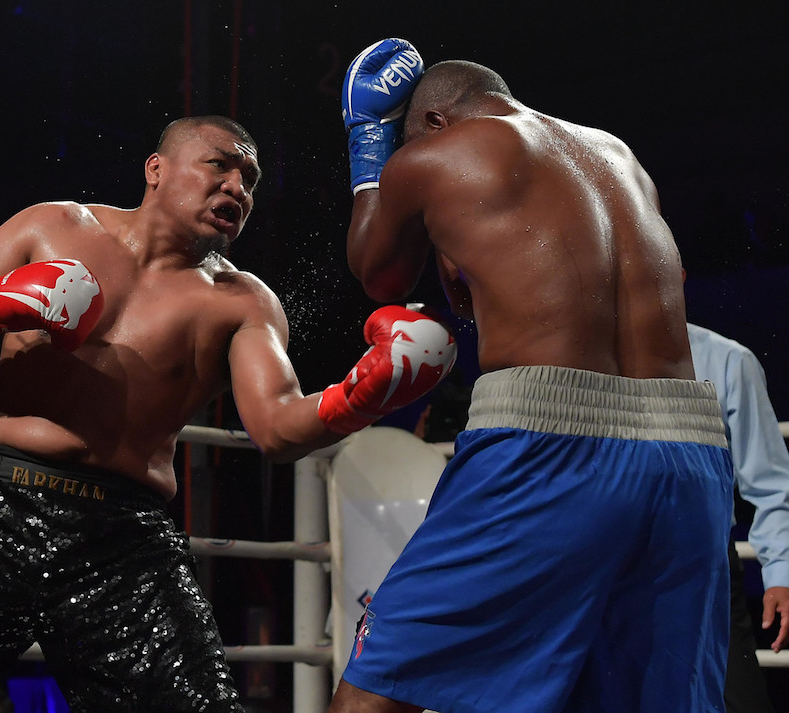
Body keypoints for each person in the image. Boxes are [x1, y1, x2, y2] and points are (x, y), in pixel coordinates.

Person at [0, 115, 458, 713]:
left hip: (118, 539)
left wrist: (365, 392)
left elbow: (278, 425)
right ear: (156, 169)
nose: (238, 187)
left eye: (251, 180)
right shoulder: (54, 225)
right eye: (221, 165)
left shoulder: (241, 301)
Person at [329, 39, 734, 713]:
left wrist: (370, 145)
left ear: (432, 122)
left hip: (549, 443)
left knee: (375, 693)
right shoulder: (616, 155)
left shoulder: (433, 154)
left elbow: (379, 270)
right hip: (687, 452)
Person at [687, 321, 789, 712]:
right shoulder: (585, 355)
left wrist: (778, 571)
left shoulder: (728, 359)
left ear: (676, 276)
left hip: (705, 560)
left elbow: (769, 479)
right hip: (612, 563)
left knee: (739, 698)